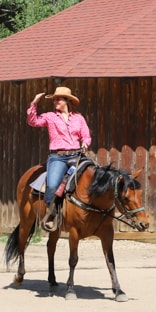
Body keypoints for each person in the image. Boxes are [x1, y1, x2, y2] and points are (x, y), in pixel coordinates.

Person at [27, 86, 92, 231]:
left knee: (95, 176)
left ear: (67, 101)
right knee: (52, 185)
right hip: (58, 157)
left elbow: (86, 135)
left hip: (77, 155)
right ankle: (51, 214)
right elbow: (33, 122)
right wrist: (34, 103)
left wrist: (85, 143)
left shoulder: (79, 118)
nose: (55, 101)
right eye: (54, 99)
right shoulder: (50, 117)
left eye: (59, 99)